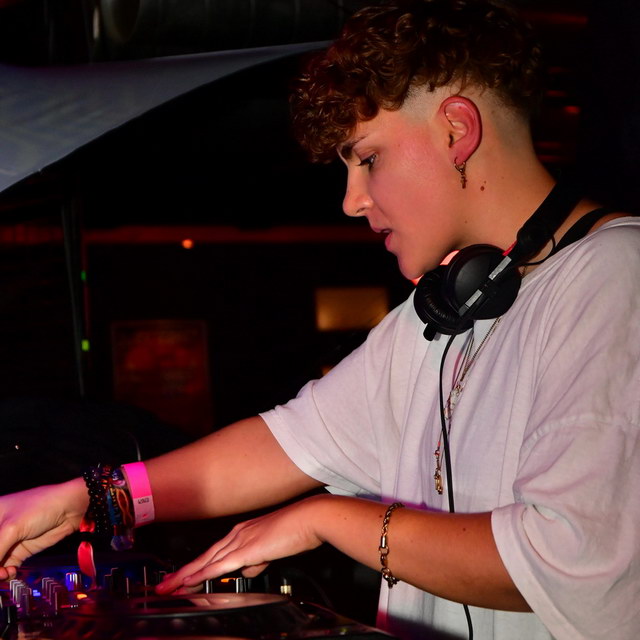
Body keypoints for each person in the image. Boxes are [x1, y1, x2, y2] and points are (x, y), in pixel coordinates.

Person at [0, 1, 639, 638]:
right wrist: (87, 497)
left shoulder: (613, 278)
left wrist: (323, 518)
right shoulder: (443, 316)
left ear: (456, 130)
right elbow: (284, 444)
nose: (352, 201)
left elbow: (564, 561)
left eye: (368, 159)